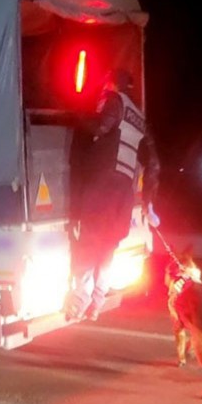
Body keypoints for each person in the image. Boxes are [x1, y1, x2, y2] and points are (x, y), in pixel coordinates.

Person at [64, 68, 161, 321]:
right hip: (124, 190)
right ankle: (97, 302)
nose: (103, 89)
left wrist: (75, 112)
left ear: (111, 84)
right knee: (109, 245)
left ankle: (78, 302)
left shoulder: (115, 101)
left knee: (89, 240)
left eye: (105, 84)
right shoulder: (140, 117)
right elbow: (154, 164)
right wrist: (149, 203)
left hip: (104, 183)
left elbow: (101, 127)